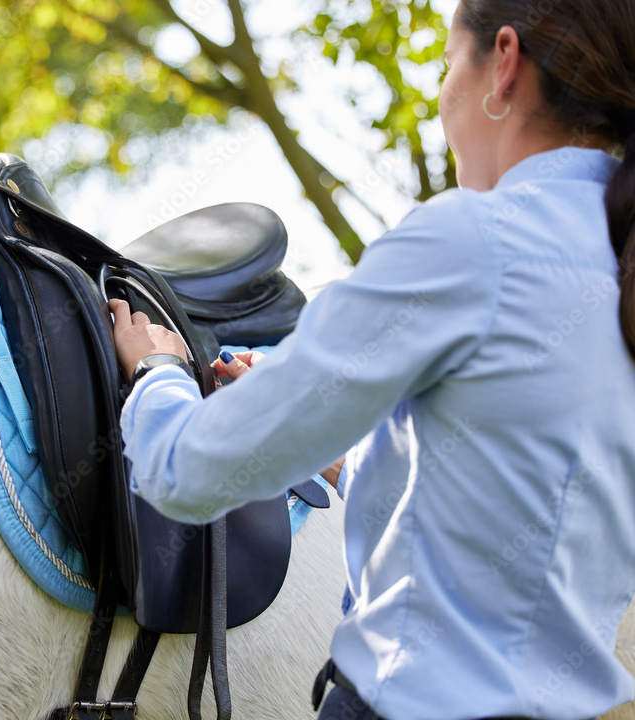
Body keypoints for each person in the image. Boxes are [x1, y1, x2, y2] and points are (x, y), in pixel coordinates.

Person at [107, 0, 635, 718]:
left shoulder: (476, 242)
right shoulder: (614, 266)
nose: (445, 99)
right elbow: (524, 502)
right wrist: (338, 460)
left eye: (449, 66)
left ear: (503, 63)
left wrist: (158, 373)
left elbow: (188, 471)